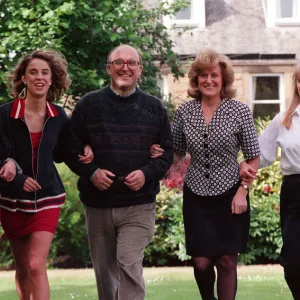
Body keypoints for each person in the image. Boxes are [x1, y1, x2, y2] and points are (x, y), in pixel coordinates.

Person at [151, 49, 260, 300]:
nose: (208, 80)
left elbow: (253, 155)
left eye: (214, 75)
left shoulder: (239, 111)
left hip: (231, 193)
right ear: (196, 80)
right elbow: (176, 153)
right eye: (203, 75)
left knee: (226, 261)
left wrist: (243, 190)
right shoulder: (185, 112)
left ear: (223, 80)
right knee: (200, 262)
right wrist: (158, 152)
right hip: (197, 194)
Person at [69, 44, 173, 300]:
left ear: (139, 70)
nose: (125, 67)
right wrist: (92, 171)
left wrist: (146, 174)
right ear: (109, 68)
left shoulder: (154, 108)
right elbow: (69, 149)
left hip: (138, 204)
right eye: (118, 62)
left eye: (131, 63)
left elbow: (167, 155)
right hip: (98, 204)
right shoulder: (88, 105)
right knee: (105, 275)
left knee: (128, 263)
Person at [0, 49, 95, 300]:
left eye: (45, 73)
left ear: (52, 79)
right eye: (33, 72)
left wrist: (85, 149)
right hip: (11, 201)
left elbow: (65, 151)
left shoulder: (58, 116)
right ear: (23, 78)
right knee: (21, 267)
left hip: (47, 198)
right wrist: (14, 173)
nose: (39, 77)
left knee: (35, 264)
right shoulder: (5, 114)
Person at [240, 62, 300, 299]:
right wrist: (242, 166)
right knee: (293, 262)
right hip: (294, 192)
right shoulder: (284, 120)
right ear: (296, 84)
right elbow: (262, 156)